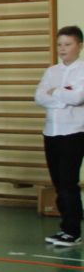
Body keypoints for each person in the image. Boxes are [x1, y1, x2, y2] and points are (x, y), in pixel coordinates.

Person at [35, 25, 84, 246]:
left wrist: (54, 92)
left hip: (73, 132)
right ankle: (66, 227)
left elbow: (78, 98)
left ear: (79, 46)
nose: (62, 49)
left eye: (68, 44)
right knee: (58, 182)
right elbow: (39, 97)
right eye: (59, 45)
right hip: (51, 132)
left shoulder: (82, 70)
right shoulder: (51, 71)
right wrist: (63, 96)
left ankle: (72, 230)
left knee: (68, 181)